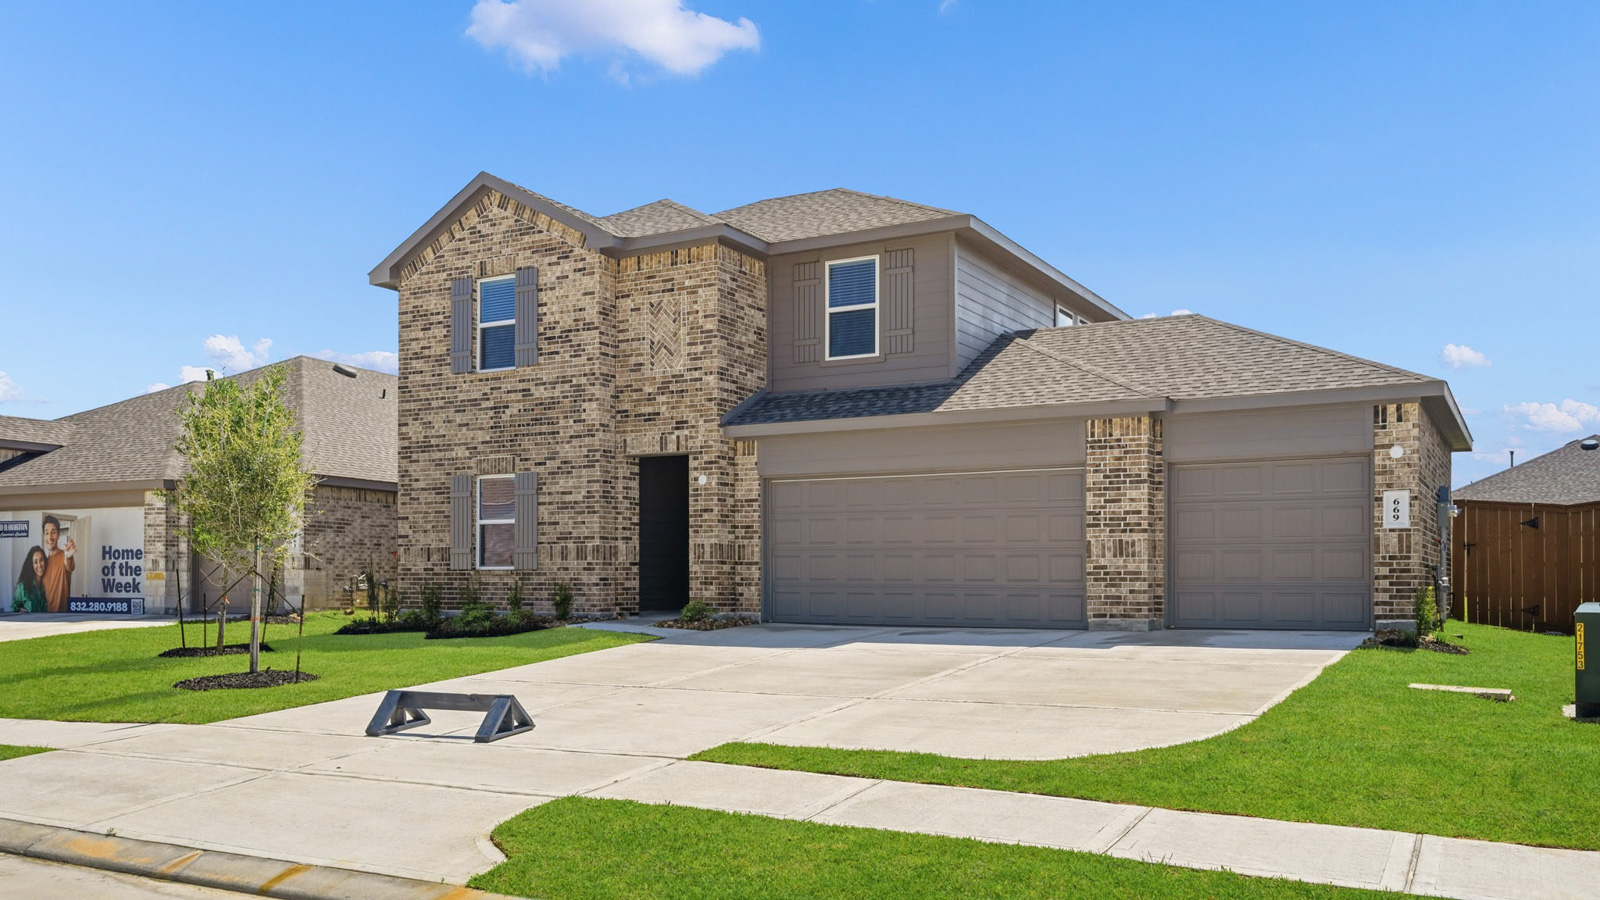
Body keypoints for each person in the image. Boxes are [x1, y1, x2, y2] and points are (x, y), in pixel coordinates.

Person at [40, 515, 75, 613]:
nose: (50, 537)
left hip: (61, 617)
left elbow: (70, 566)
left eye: (53, 532)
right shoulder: (43, 563)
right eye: (47, 533)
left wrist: (69, 555)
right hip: (44, 616)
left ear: (58, 535)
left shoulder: (64, 555)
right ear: (44, 536)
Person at [11, 546, 47, 613]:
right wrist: (19, 610)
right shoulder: (23, 586)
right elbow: (14, 606)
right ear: (31, 565)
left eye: (41, 560)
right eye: (35, 562)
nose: (39, 565)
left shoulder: (48, 584)